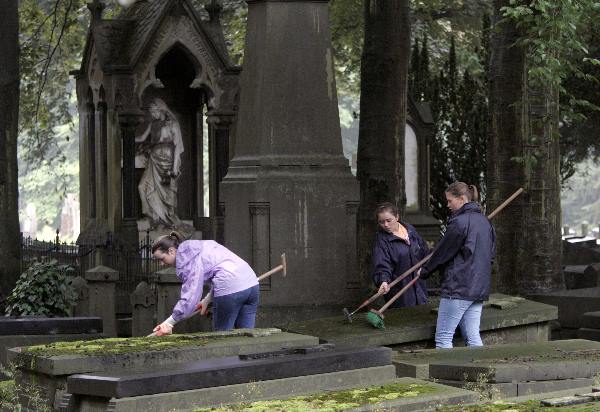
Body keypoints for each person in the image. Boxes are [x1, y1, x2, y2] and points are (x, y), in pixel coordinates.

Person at [417, 182, 496, 349]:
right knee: (473, 337)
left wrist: (424, 271)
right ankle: (482, 373)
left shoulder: (459, 222)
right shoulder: (484, 222)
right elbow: (491, 255)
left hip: (458, 286)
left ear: (461, 199)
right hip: (478, 287)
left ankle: (442, 374)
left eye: (450, 200)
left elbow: (442, 253)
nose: (448, 205)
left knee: (444, 338)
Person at [151, 232, 260, 335]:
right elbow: (222, 272)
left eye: (161, 259)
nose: (161, 264)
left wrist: (169, 322)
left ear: (171, 251)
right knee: (247, 335)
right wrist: (207, 300)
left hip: (231, 290)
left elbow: (190, 297)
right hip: (252, 284)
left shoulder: (188, 260)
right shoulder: (202, 246)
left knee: (222, 338)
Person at [136, 98, 184, 228]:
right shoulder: (153, 124)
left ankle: (166, 219)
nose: (153, 115)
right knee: (142, 186)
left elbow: (178, 146)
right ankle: (153, 216)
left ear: (161, 109)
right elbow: (141, 138)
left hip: (167, 161)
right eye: (151, 112)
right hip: (154, 160)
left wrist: (174, 168)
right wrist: (125, 135)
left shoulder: (173, 124)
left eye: (154, 111)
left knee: (166, 190)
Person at [372, 203, 429, 307]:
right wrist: (383, 281)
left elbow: (423, 250)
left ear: (397, 217)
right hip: (400, 292)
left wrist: (426, 266)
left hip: (419, 288)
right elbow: (382, 263)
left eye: (389, 220)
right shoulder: (382, 240)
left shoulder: (410, 230)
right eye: (381, 222)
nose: (386, 225)